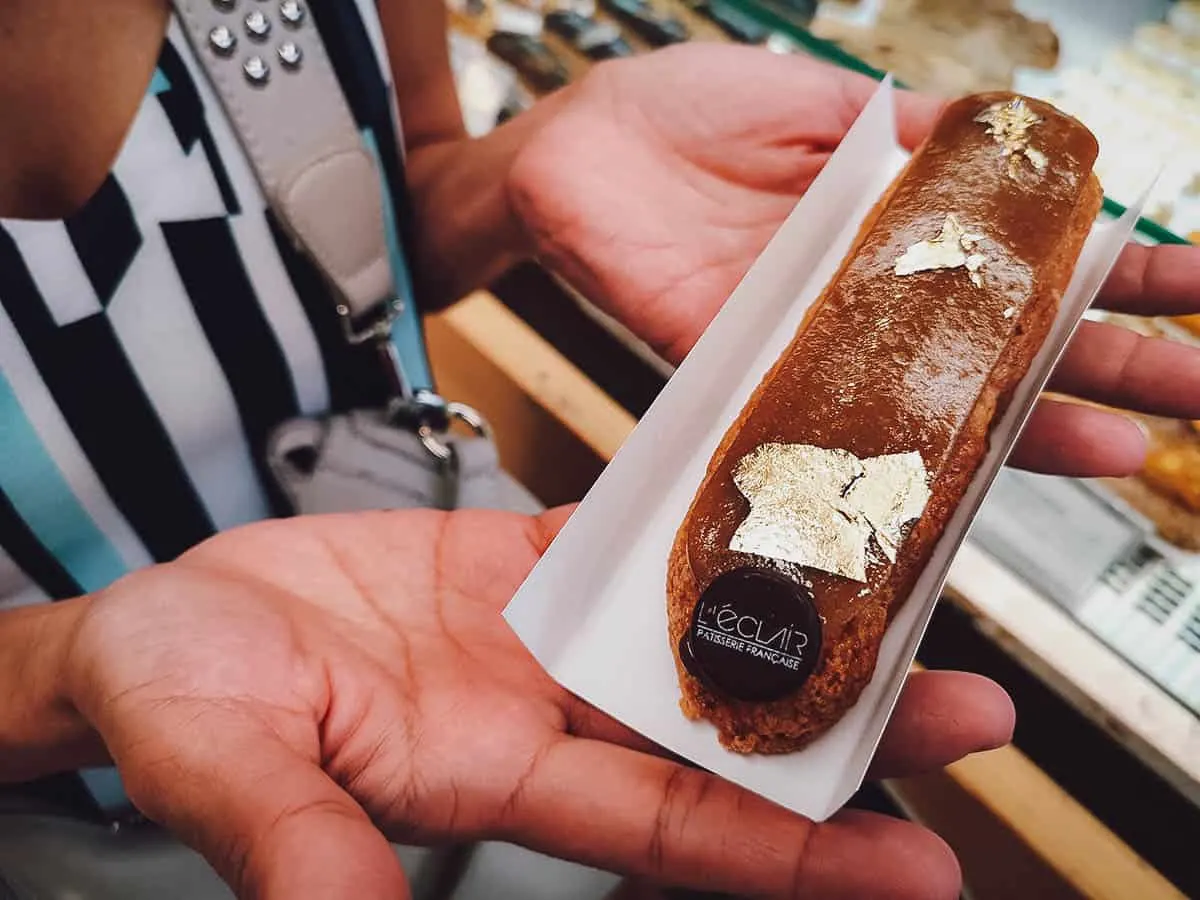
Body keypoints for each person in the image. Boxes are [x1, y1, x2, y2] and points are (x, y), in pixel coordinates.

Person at [2, 1, 1199, 898]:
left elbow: (389, 222)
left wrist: (524, 169)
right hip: (93, 796)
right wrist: (64, 673)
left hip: (472, 579)